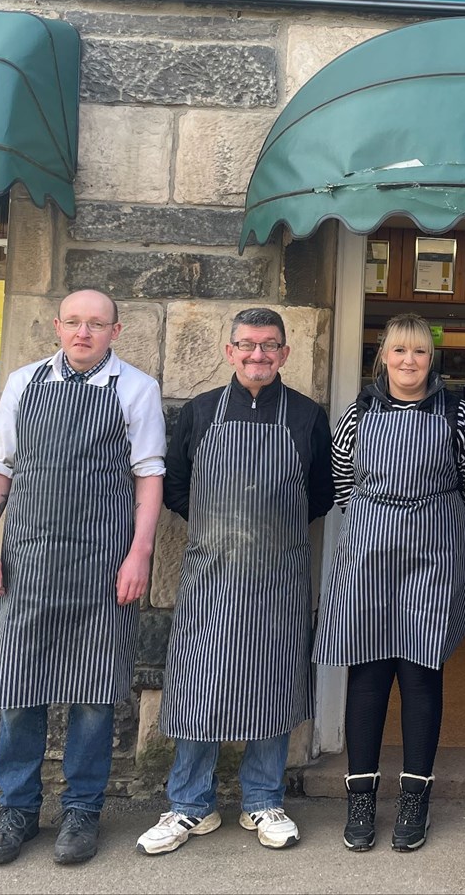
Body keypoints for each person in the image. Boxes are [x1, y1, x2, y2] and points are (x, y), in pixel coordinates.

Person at [0, 289, 166, 867]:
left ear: (116, 330)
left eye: (97, 324)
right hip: (27, 562)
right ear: (57, 326)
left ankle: (82, 810)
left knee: (95, 695)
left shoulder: (136, 389)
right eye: (75, 322)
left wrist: (140, 554)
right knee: (19, 688)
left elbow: (148, 474)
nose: (84, 333)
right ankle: (18, 808)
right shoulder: (24, 383)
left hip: (102, 567)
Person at [137, 308, 334, 856]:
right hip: (210, 577)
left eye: (270, 346)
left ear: (285, 354)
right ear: (229, 351)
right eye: (247, 345)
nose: (258, 355)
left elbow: (321, 494)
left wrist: (273, 533)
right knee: (200, 686)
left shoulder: (307, 416)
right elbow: (176, 486)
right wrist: (217, 532)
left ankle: (263, 801)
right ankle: (189, 805)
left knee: (272, 684)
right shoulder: (200, 412)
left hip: (278, 579)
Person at [314, 312, 465, 853]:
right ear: (383, 358)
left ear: (430, 359)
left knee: (420, 674)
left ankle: (415, 797)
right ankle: (361, 797)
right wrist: (379, 522)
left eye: (418, 352)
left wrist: (447, 531)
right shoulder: (356, 414)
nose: (409, 361)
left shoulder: (458, 414)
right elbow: (343, 484)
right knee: (367, 674)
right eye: (399, 351)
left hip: (433, 555)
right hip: (369, 554)